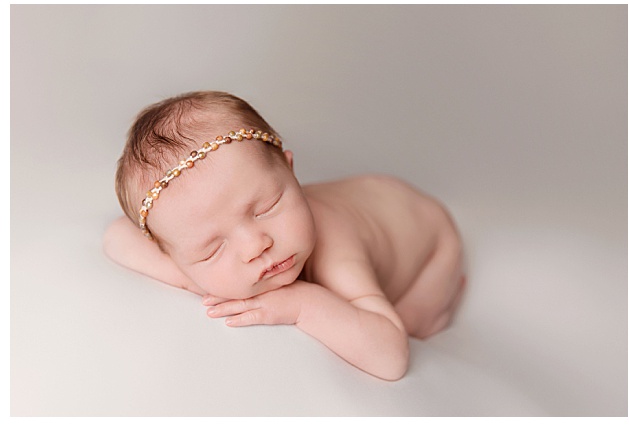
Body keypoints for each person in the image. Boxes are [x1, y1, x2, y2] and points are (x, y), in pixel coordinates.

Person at [103, 91, 465, 381]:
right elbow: (117, 236)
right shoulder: (190, 245)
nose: (255, 245)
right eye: (213, 249)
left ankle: (445, 298)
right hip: (375, 200)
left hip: (428, 235)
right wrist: (200, 278)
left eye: (266, 207)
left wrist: (303, 303)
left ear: (291, 171)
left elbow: (391, 358)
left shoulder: (336, 248)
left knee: (414, 324)